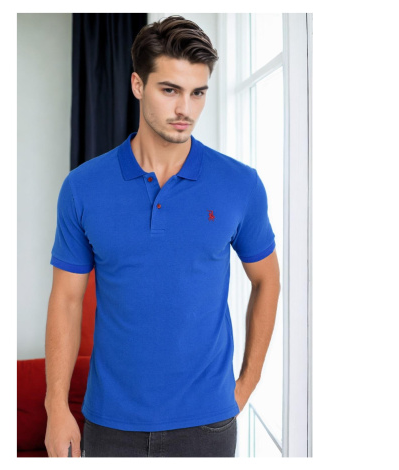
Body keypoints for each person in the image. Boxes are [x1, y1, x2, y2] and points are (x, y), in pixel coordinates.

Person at [44, 15, 280, 458]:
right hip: (110, 423)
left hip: (207, 424)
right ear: (138, 85)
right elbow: (67, 300)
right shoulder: (83, 187)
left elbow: (267, 279)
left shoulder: (239, 184)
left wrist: (247, 383)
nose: (185, 109)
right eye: (170, 90)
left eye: (198, 93)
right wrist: (56, 405)